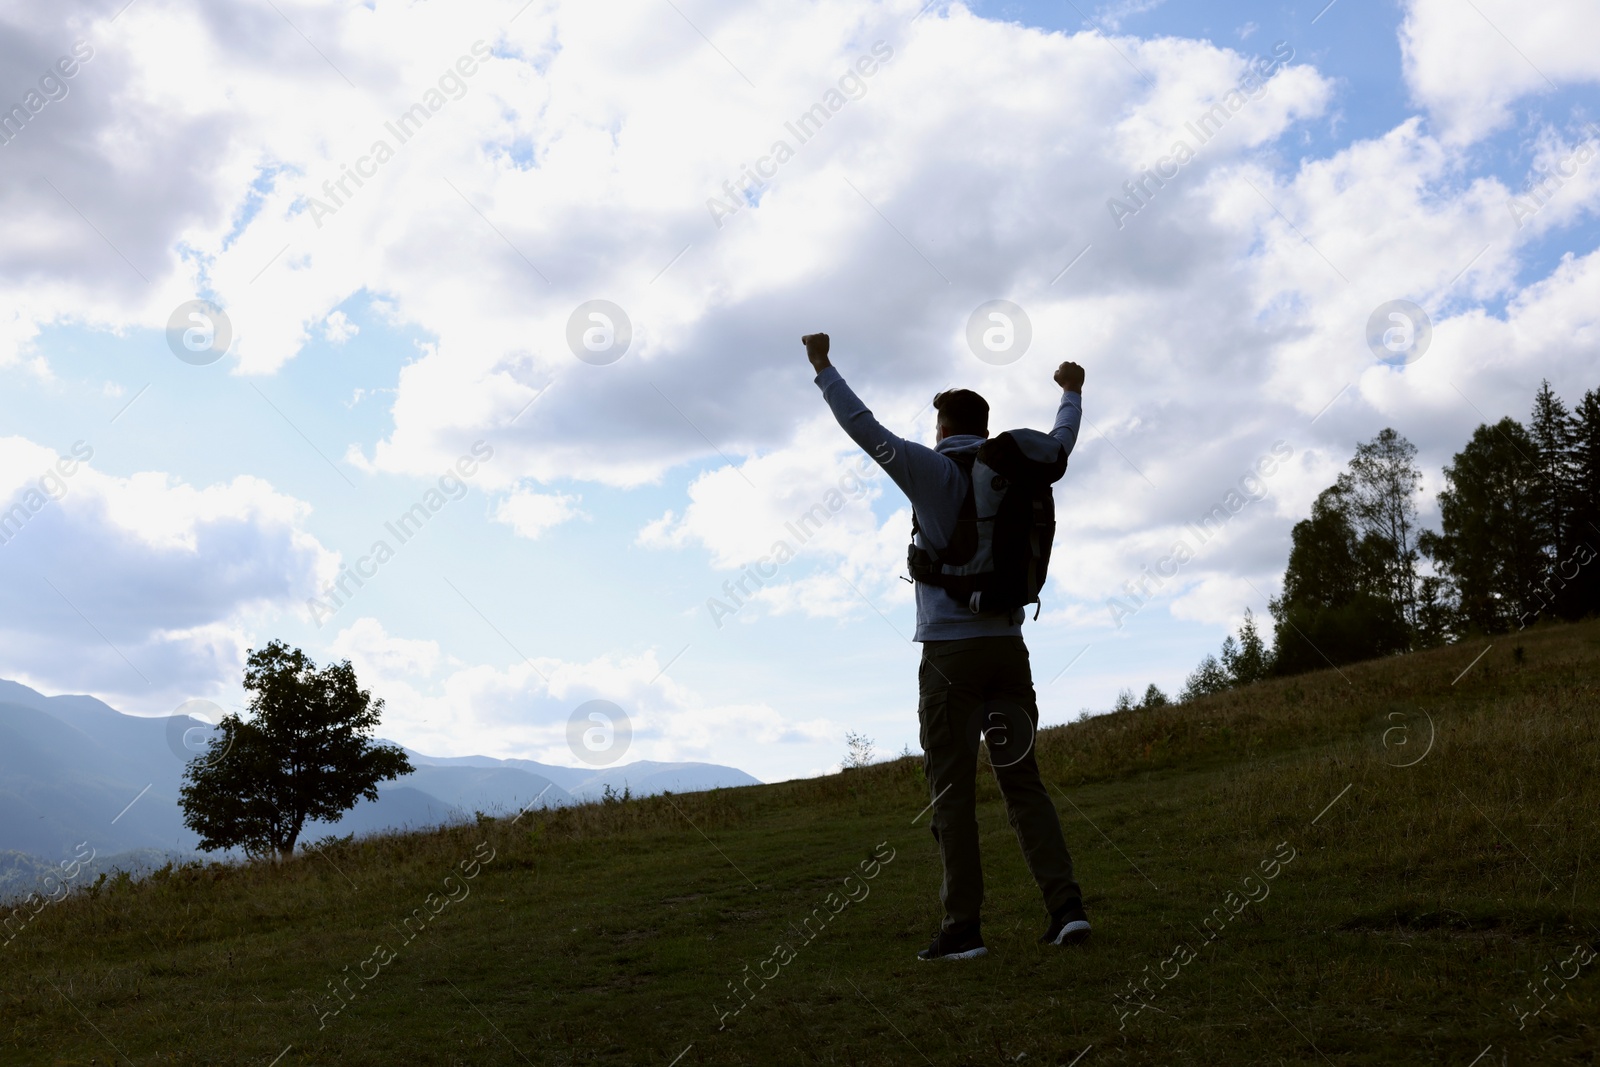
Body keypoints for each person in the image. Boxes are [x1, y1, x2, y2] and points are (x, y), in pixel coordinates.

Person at [802, 331, 1090, 961]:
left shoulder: (929, 471)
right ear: (984, 428)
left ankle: (963, 929)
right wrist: (1070, 391)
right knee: (1024, 783)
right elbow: (1063, 441)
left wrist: (824, 366)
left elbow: (862, 426)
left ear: (942, 429)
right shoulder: (1016, 468)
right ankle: (1066, 910)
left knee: (952, 792)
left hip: (950, 659)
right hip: (1009, 650)